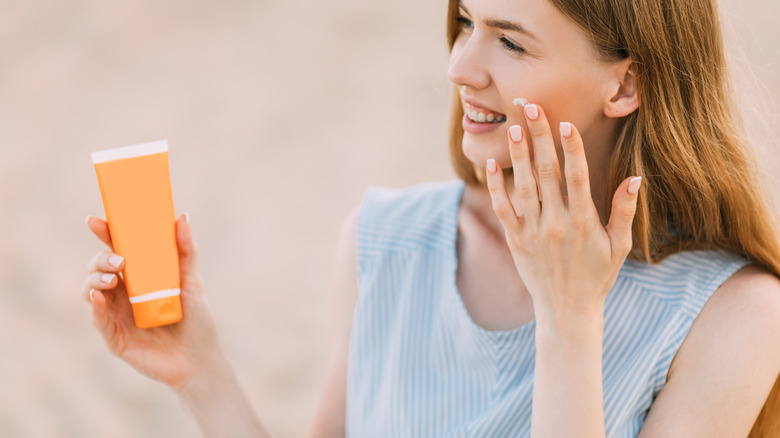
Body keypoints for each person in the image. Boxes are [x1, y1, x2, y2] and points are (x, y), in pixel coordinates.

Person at [82, 0, 780, 436]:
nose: (461, 66)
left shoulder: (736, 316)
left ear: (625, 82)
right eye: (466, 23)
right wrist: (200, 373)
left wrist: (569, 323)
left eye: (511, 42)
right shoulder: (388, 242)